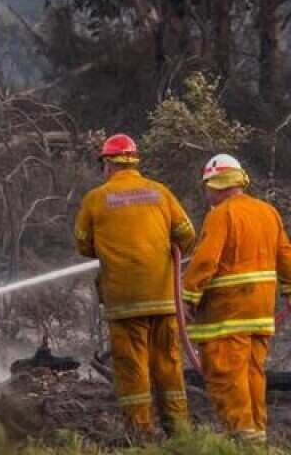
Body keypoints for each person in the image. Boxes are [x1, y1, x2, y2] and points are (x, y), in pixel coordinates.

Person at [75, 133, 195, 436]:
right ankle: (179, 431)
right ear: (134, 161)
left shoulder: (95, 200)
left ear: (107, 164)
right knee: (169, 365)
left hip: (124, 301)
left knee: (132, 369)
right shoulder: (160, 193)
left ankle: (141, 435)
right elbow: (187, 234)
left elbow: (83, 245)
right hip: (163, 298)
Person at [182, 154, 291, 444]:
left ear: (216, 185)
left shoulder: (221, 215)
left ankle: (241, 435)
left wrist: (188, 297)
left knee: (227, 374)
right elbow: (286, 258)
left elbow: (205, 261)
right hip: (260, 313)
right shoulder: (268, 212)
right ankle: (257, 433)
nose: (206, 193)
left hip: (227, 314)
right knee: (253, 373)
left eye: (207, 186)